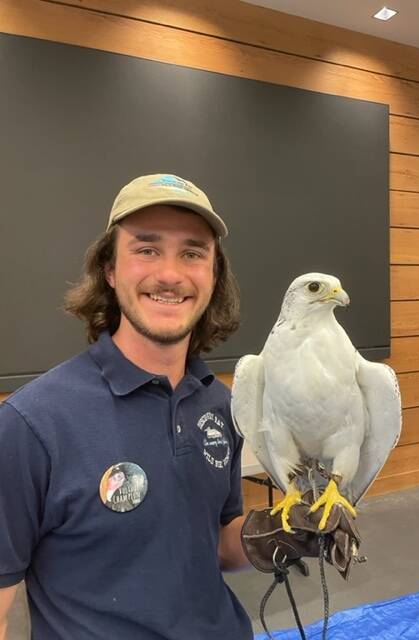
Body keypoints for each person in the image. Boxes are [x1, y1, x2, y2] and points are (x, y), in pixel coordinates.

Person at [0, 174, 253, 640]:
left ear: (213, 277)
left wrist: (277, 534)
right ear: (110, 271)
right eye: (146, 249)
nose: (171, 275)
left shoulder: (220, 403)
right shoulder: (32, 424)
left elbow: (216, 545)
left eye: (193, 253)